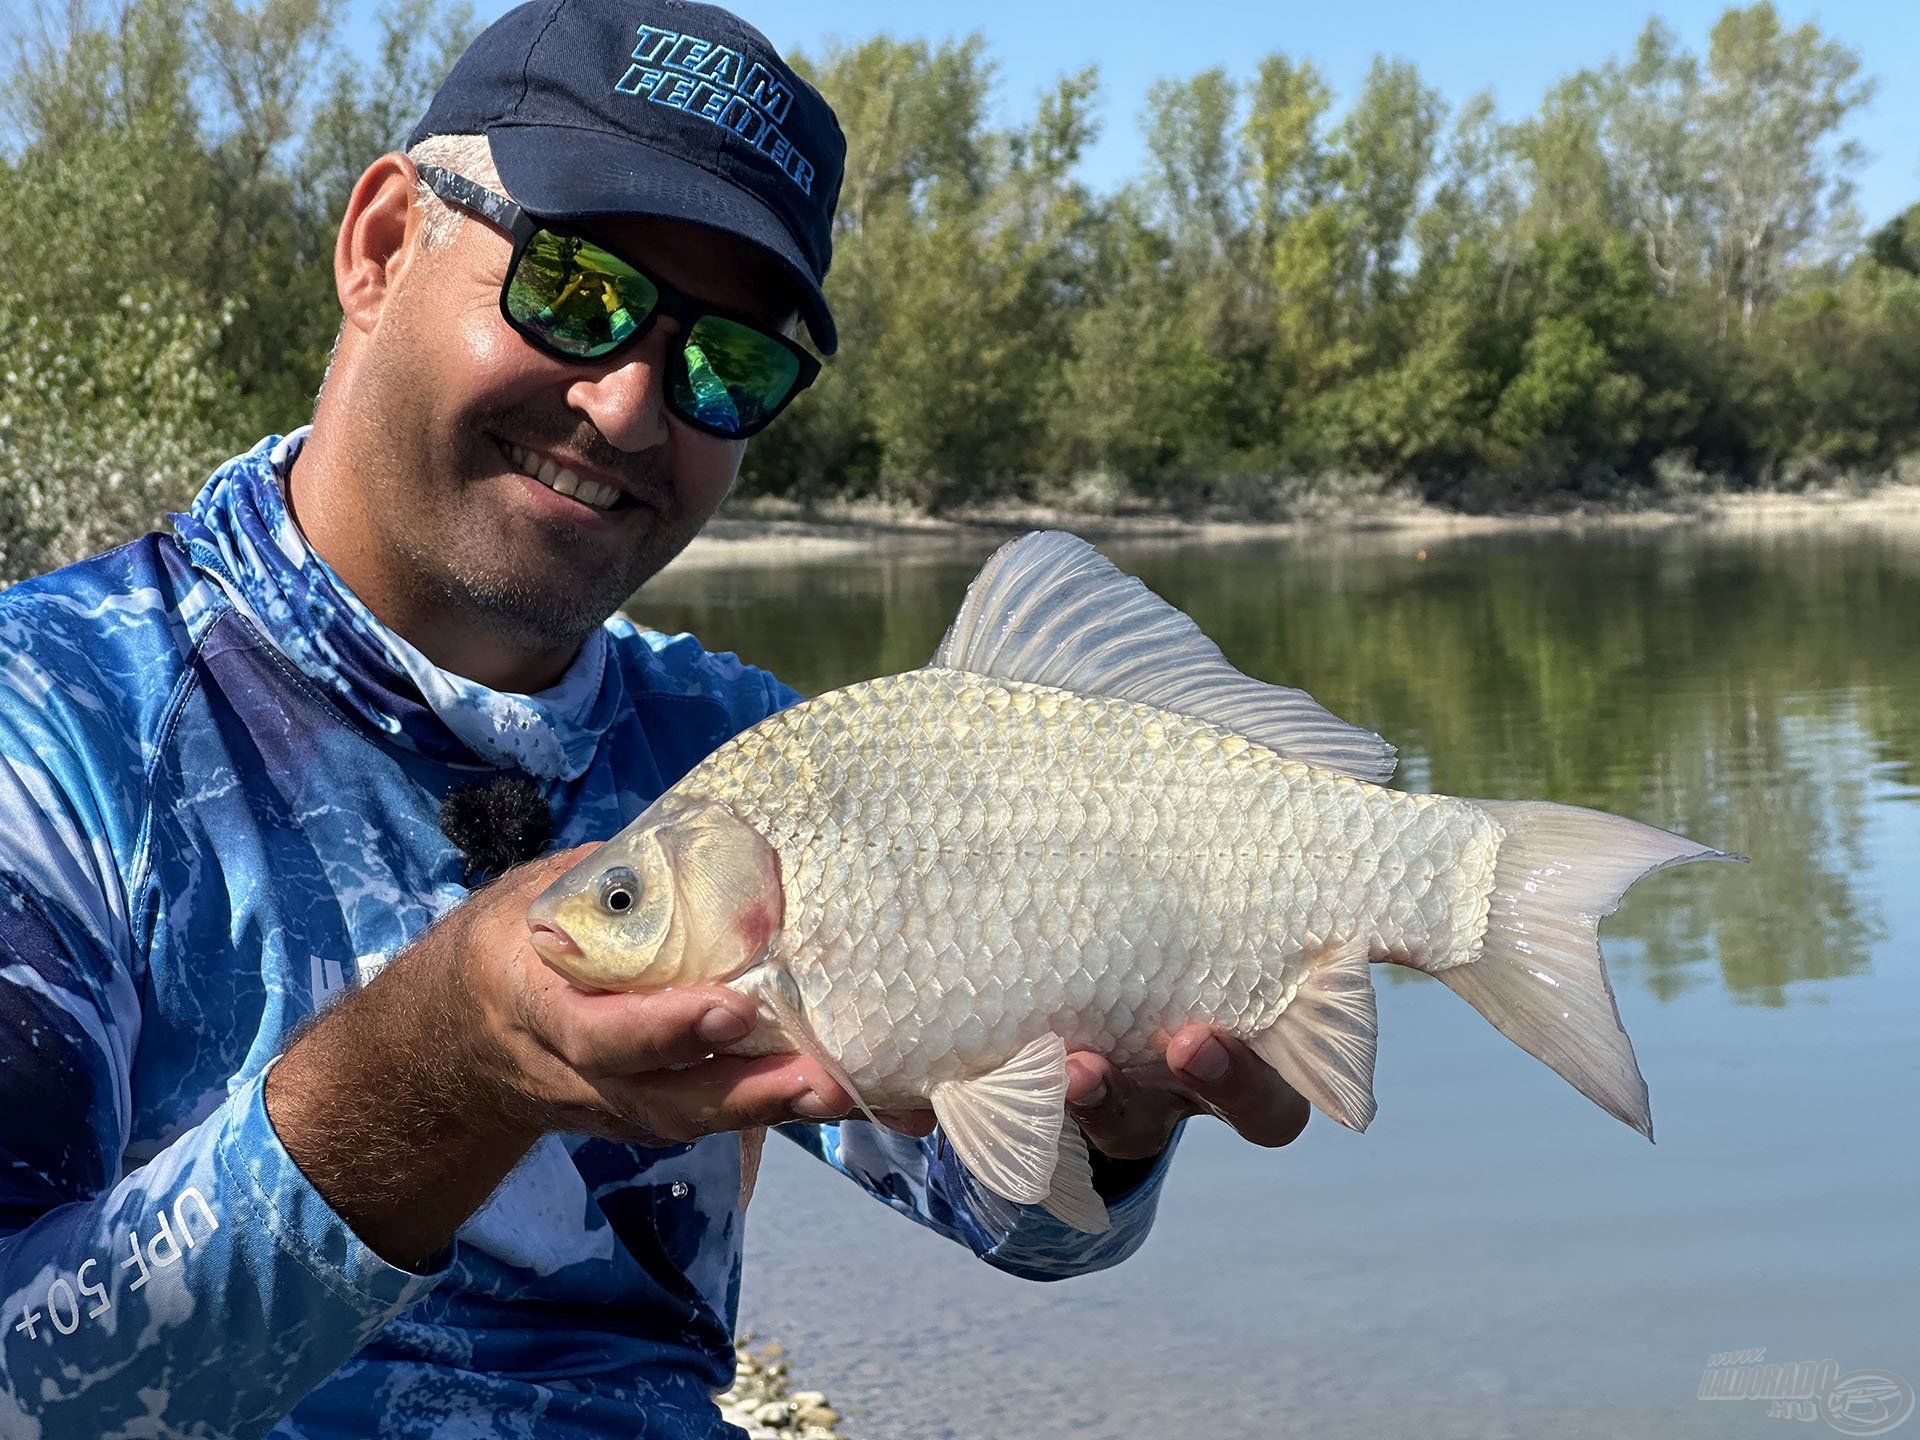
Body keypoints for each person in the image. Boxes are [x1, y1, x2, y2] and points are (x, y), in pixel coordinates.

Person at [0, 2, 1309, 1435]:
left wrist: (1108, 1133)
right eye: (576, 286)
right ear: (381, 246)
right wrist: (442, 1073)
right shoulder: (49, 722)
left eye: (729, 363)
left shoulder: (738, 755)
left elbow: (1024, 1223)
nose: (630, 409)